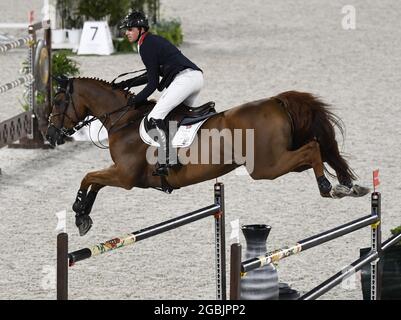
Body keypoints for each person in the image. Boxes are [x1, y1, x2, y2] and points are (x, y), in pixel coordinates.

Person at [119, 10, 204, 176]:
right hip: (195, 78)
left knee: (154, 117)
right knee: (174, 115)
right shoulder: (150, 41)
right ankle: (182, 151)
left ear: (141, 29)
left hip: (184, 80)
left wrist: (136, 100)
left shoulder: (145, 45)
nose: (127, 33)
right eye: (126, 29)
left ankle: (167, 159)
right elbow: (151, 74)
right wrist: (126, 83)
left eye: (130, 29)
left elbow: (153, 83)